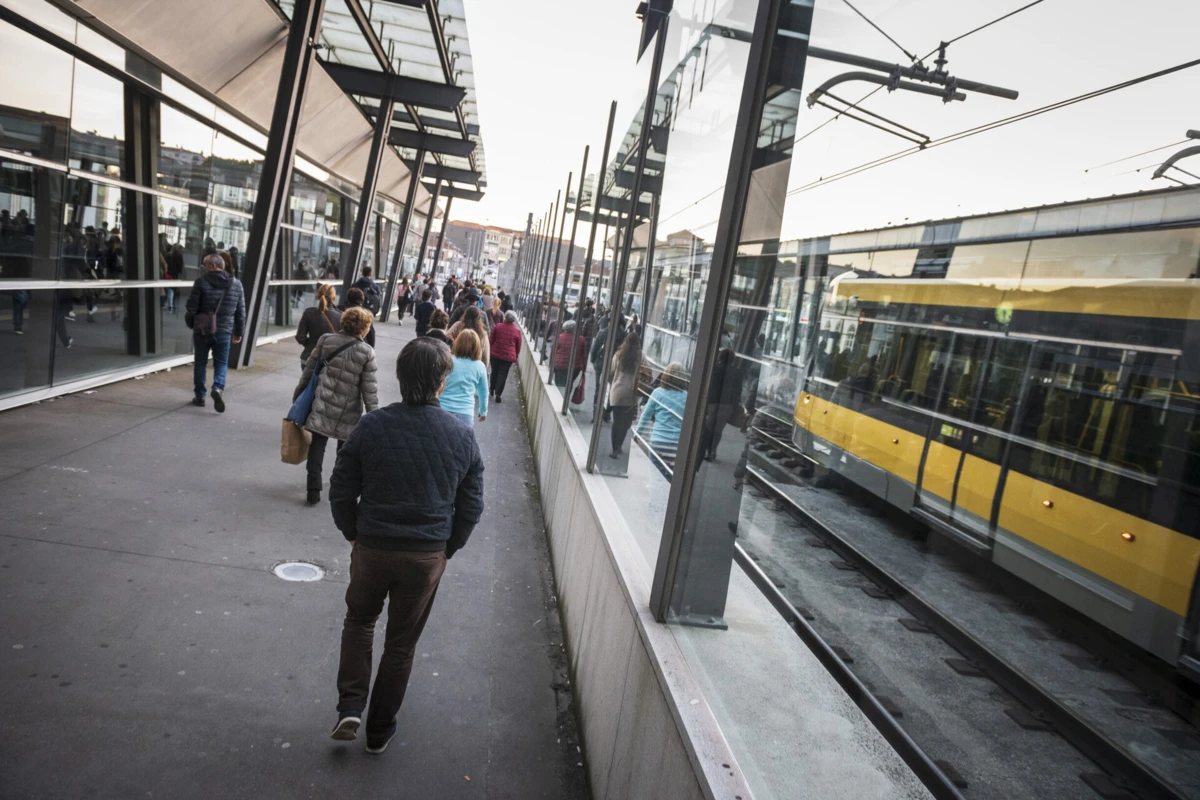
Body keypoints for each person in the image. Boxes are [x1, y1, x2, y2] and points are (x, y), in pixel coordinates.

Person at [327, 337, 484, 753]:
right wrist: (447, 548)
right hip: (425, 554)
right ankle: (379, 731)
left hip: (373, 544)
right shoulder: (461, 435)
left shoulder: (372, 425)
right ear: (441, 384)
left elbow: (341, 487)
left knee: (360, 621)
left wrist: (353, 532)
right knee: (401, 644)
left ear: (399, 378)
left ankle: (350, 706)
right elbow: (472, 505)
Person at [294, 307, 378, 506]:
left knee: (317, 444)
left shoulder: (326, 340)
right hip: (348, 410)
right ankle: (339, 487)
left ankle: (313, 489)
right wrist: (374, 415)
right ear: (364, 328)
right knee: (345, 450)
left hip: (322, 402)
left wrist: (298, 394)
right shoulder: (366, 352)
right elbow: (369, 389)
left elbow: (309, 370)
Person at [186, 253, 246, 411]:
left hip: (203, 329)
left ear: (213, 266)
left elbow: (191, 307)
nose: (203, 268)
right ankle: (218, 388)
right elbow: (241, 312)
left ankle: (200, 396)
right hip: (225, 330)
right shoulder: (236, 284)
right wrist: (238, 332)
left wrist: (191, 323)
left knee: (200, 362)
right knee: (221, 362)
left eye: (205, 265)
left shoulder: (201, 282)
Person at [636, 361, 688, 477]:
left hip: (657, 442)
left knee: (655, 476)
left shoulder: (657, 393)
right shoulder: (687, 397)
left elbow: (646, 416)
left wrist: (637, 434)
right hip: (676, 445)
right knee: (670, 478)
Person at [440, 329, 489, 428]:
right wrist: (483, 411)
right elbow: (483, 392)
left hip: (443, 409)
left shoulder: (447, 361)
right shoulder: (480, 366)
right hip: (465, 413)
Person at [608, 332, 642, 458]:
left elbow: (611, 373)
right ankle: (619, 446)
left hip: (617, 392)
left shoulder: (618, 356)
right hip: (631, 394)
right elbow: (646, 373)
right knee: (625, 423)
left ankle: (614, 448)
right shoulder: (639, 358)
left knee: (616, 421)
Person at [295, 284, 342, 370]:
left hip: (309, 358)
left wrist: (311, 344)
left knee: (307, 383)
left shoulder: (308, 313)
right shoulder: (341, 316)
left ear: (318, 296)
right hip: (331, 361)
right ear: (334, 298)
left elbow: (300, 337)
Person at [489, 310, 521, 403]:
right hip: (508, 357)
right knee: (503, 374)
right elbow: (518, 345)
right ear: (514, 320)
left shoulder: (498, 326)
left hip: (495, 353)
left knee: (494, 372)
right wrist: (516, 354)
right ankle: (498, 393)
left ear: (505, 317)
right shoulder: (517, 331)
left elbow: (492, 338)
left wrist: (490, 348)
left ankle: (492, 388)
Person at [551, 320, 587, 393]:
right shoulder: (581, 339)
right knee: (569, 383)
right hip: (574, 368)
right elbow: (584, 355)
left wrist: (551, 365)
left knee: (559, 384)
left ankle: (559, 398)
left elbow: (553, 352)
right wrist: (584, 368)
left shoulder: (559, 337)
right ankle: (566, 398)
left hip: (559, 366)